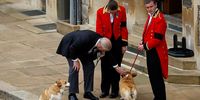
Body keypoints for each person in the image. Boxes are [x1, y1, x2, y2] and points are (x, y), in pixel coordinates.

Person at [56, 30, 112, 100]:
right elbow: (72, 48)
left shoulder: (102, 40)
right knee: (74, 68)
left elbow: (95, 53)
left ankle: (87, 92)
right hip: (70, 45)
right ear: (100, 45)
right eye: (103, 50)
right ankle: (72, 94)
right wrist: (75, 60)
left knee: (90, 66)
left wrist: (100, 54)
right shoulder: (85, 38)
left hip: (83, 49)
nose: (103, 52)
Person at [96, 0, 128, 98]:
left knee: (116, 65)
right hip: (105, 41)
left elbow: (123, 27)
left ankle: (114, 90)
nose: (114, 14)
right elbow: (99, 29)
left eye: (115, 13)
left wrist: (124, 44)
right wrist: (101, 46)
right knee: (105, 66)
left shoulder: (122, 10)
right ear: (108, 9)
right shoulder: (100, 12)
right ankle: (104, 90)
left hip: (117, 41)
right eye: (112, 13)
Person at [138, 0, 168, 100]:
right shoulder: (151, 15)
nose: (149, 9)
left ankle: (160, 98)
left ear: (155, 4)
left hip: (157, 52)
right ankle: (157, 96)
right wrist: (142, 40)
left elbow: (157, 39)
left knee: (157, 78)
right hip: (151, 51)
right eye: (147, 7)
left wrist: (144, 46)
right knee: (152, 76)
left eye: (151, 7)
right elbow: (147, 31)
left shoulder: (160, 19)